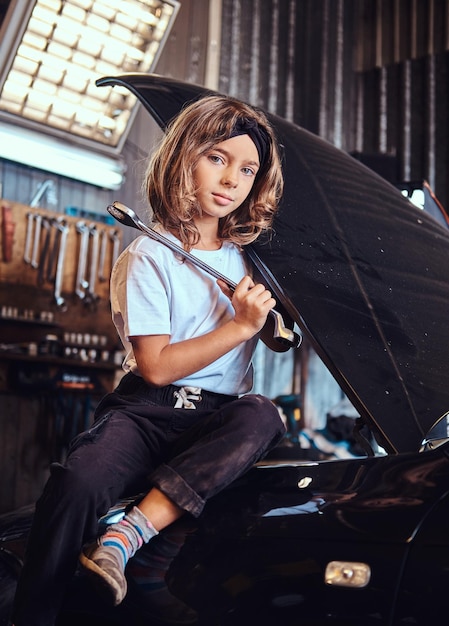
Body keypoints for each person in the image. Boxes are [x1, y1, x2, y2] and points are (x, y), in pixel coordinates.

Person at [12, 93, 287, 625]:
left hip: (215, 419)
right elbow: (156, 366)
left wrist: (271, 325)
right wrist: (239, 326)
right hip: (146, 412)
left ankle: (126, 535)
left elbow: (277, 335)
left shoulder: (256, 262)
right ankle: (33, 614)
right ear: (183, 157)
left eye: (248, 169)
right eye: (217, 158)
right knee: (77, 482)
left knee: (263, 415)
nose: (231, 179)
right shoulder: (149, 254)